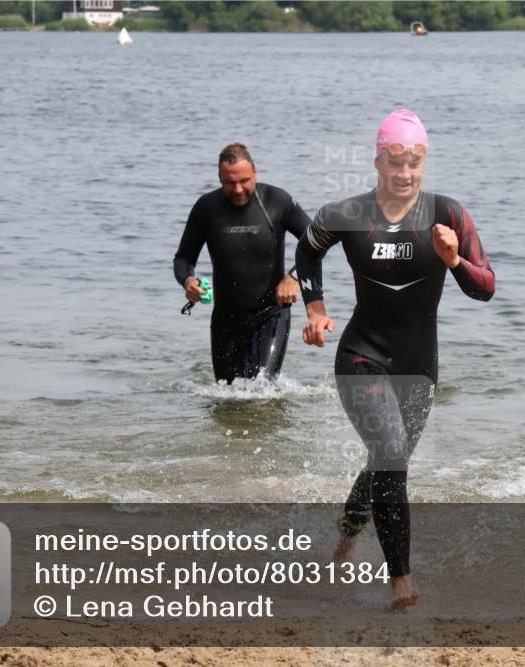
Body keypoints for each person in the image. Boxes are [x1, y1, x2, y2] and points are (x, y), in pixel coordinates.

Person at [295, 109, 495, 609]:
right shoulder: (347, 214)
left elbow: (485, 288)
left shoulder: (449, 214)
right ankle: (400, 581)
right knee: (389, 454)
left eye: (415, 162)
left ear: (424, 163)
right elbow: (307, 248)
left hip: (419, 366)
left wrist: (454, 260)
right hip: (361, 355)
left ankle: (346, 532)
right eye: (396, 162)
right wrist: (316, 308)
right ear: (378, 161)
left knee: (390, 461)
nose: (405, 173)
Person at [173, 144, 311, 383]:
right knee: (227, 400)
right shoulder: (206, 208)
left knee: (261, 392)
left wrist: (294, 277)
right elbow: (183, 258)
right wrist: (188, 280)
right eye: (229, 182)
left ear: (255, 173)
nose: (237, 189)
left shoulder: (278, 201)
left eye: (244, 180)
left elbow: (316, 241)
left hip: (271, 314)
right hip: (226, 319)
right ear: (219, 178)